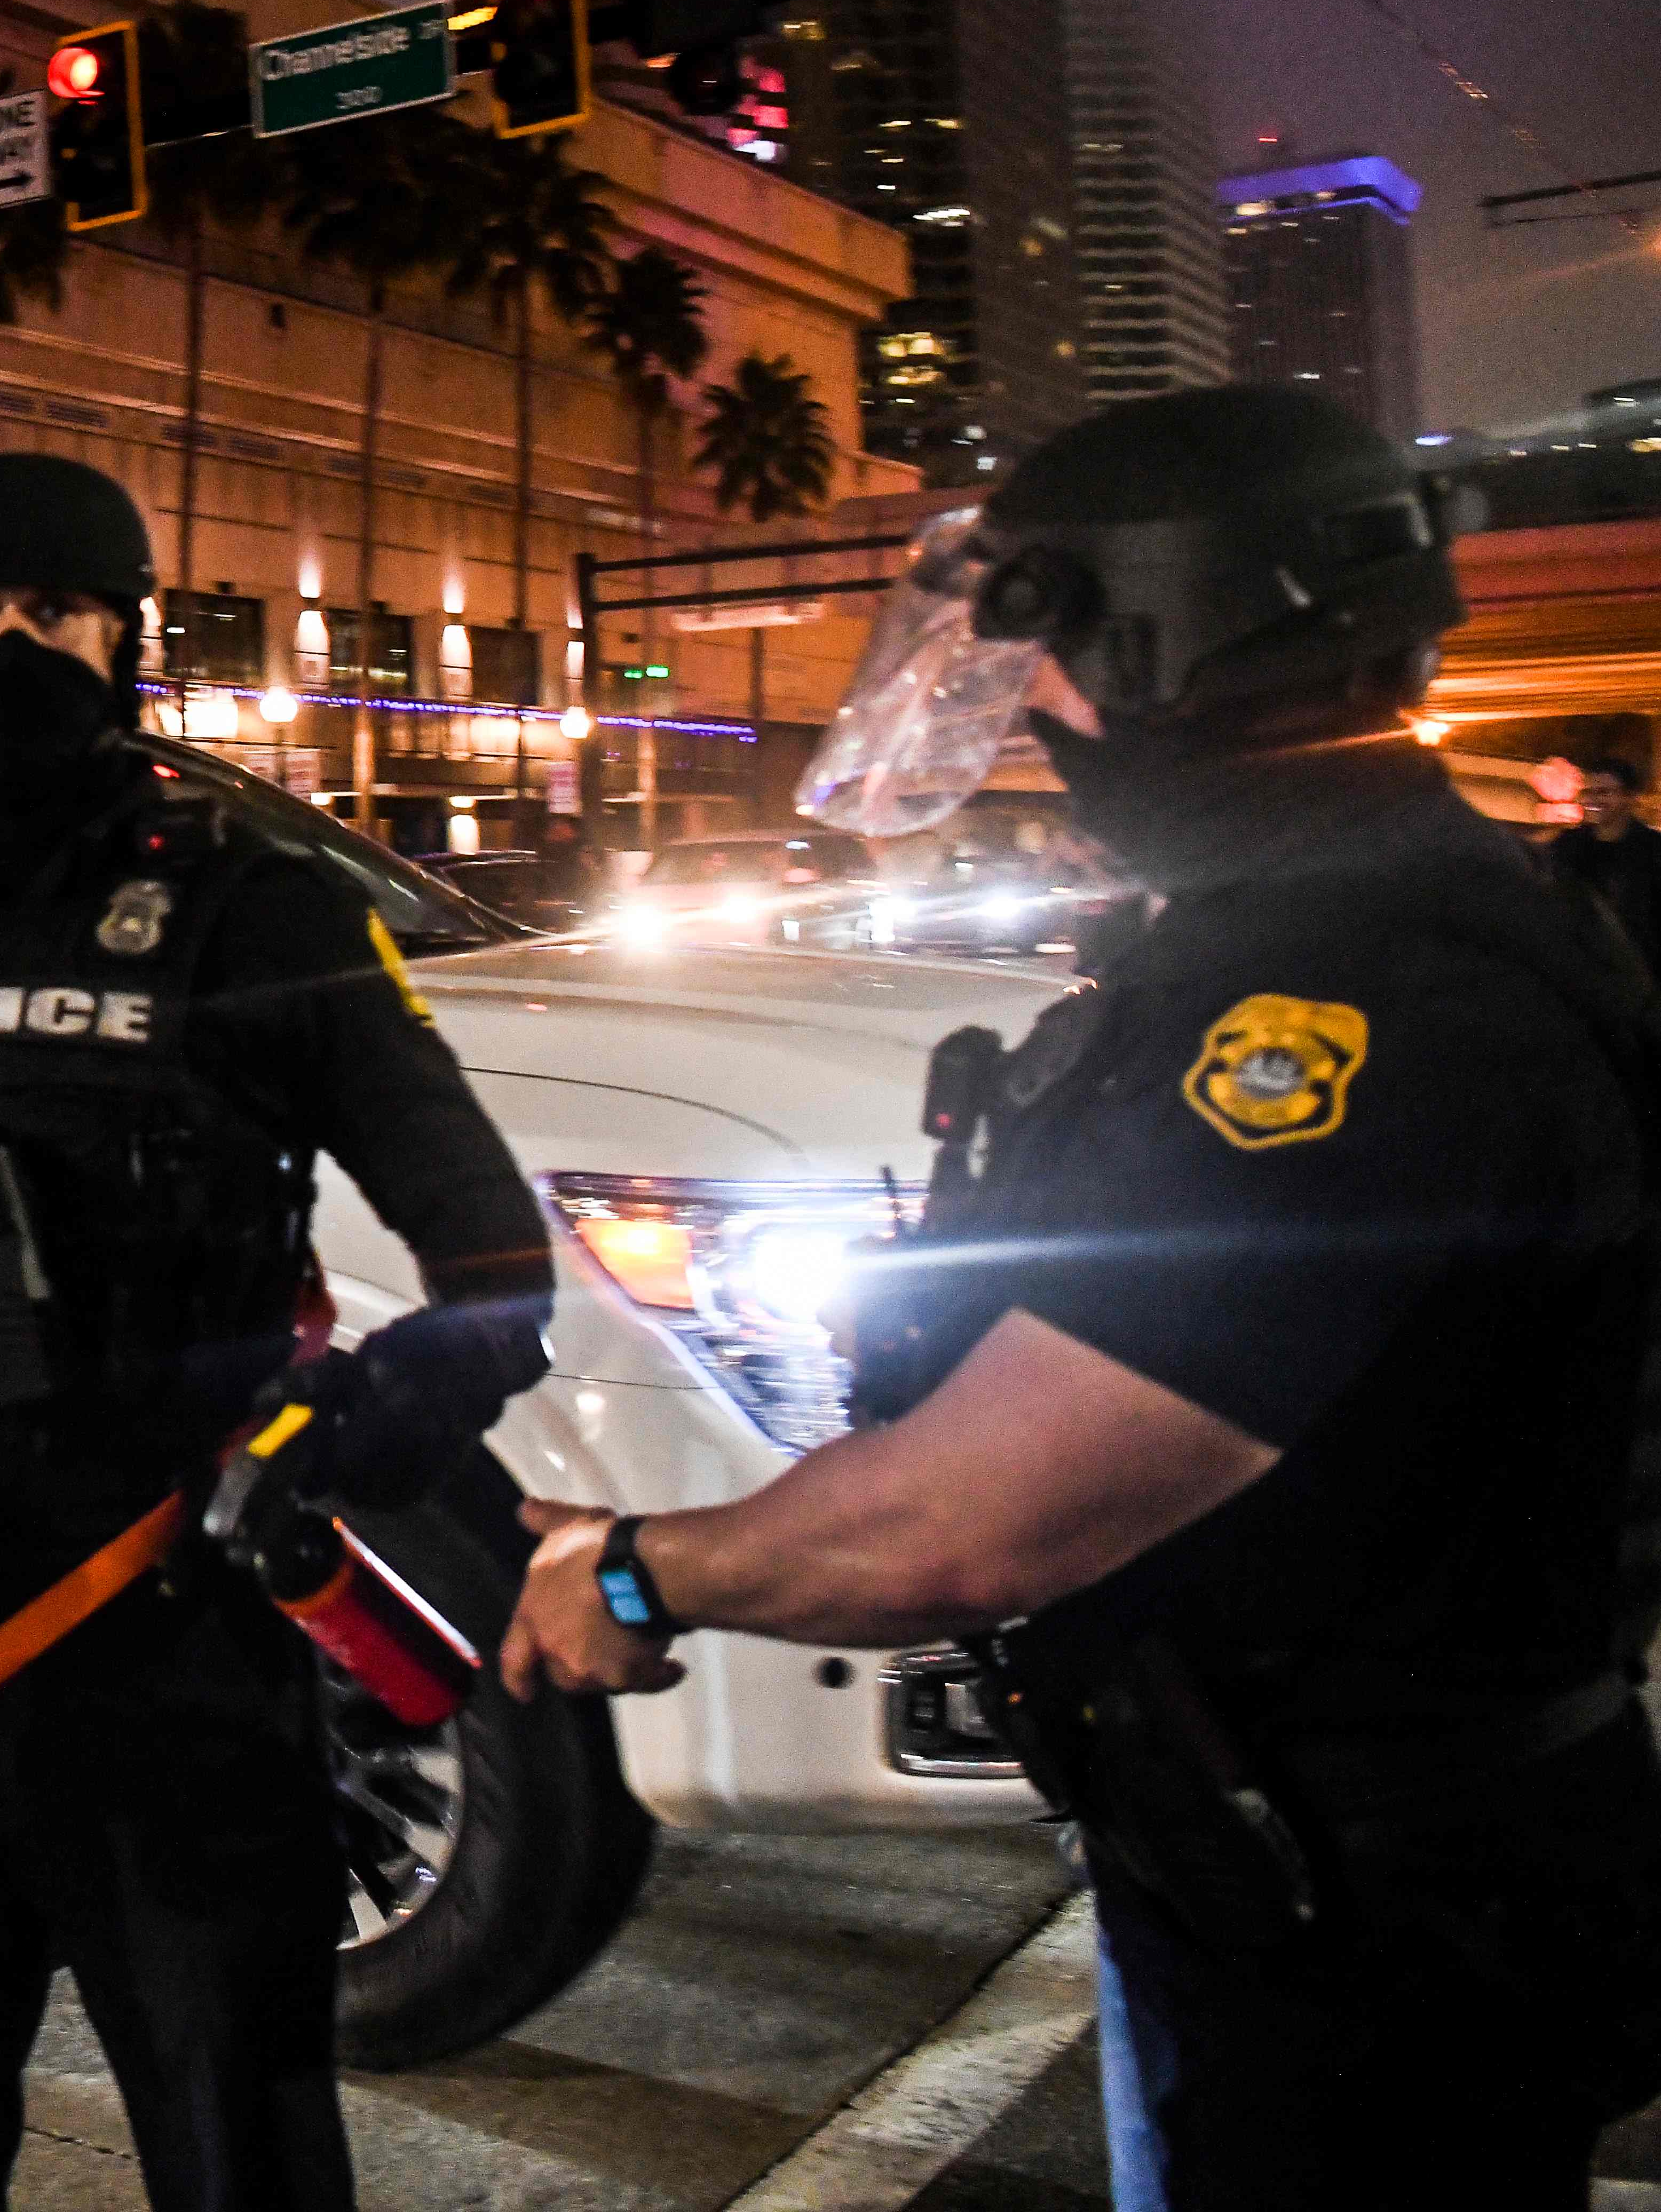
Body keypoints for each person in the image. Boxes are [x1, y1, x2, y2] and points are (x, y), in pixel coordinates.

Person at [499, 386, 1661, 2211]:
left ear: (1155, 642)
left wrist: (639, 1572)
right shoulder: (1368, 917)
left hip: (1363, 1912)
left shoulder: (1351, 1010)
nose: (1020, 704)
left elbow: (972, 1519)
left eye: (1034, 652)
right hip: (1313, 1844)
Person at [0, 452, 556, 2212]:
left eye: (53, 612)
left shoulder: (254, 908)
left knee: (245, 2163)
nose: (11, 648)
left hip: (177, 1645)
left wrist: (329, 1442)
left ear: (122, 638)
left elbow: (498, 1267)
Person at [1552, 754, 1661, 978]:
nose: (1593, 801)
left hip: (1639, 972)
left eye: (1604, 793)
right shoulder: (1568, 846)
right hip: (1578, 968)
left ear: (1629, 798)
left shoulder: (1652, 851)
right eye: (1588, 793)